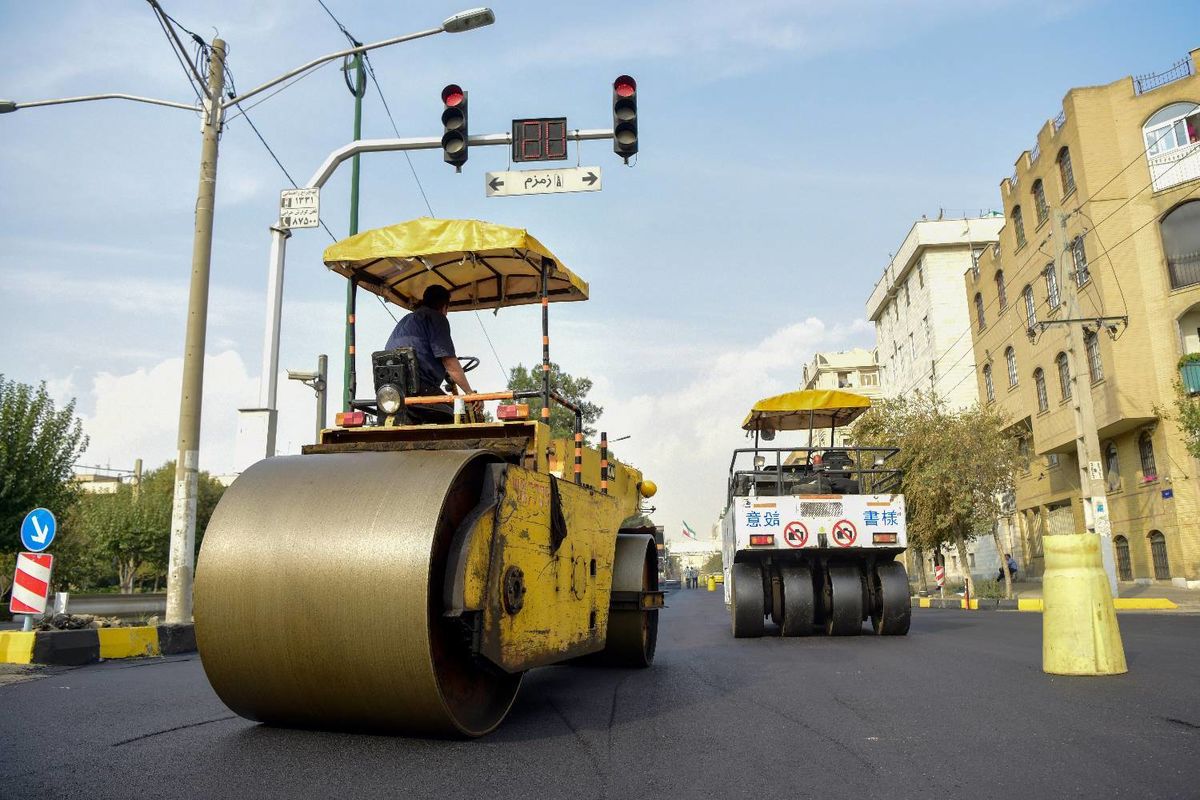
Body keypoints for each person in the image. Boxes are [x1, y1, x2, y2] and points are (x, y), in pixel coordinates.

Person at [384, 284, 481, 417]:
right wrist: (470, 393)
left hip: (390, 390)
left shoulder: (407, 320)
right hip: (419, 388)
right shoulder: (437, 318)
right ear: (444, 307)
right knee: (459, 413)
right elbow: (449, 362)